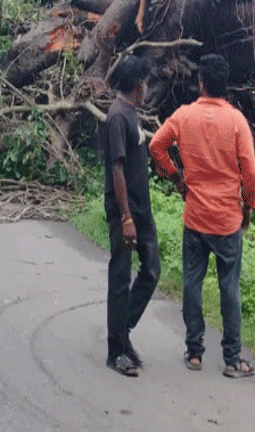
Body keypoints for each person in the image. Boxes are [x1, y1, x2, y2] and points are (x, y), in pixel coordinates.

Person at [148, 53, 255, 379]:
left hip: (195, 216)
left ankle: (195, 352)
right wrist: (248, 205)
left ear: (200, 84)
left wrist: (175, 177)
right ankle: (232, 359)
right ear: (225, 86)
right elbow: (250, 172)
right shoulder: (237, 121)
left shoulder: (184, 116)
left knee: (192, 282)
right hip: (227, 220)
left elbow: (156, 146)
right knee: (229, 287)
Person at [99, 54, 160, 377]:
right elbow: (117, 168)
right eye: (147, 81)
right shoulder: (117, 118)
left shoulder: (131, 114)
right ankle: (115, 349)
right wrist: (125, 218)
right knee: (120, 276)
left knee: (151, 270)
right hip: (126, 210)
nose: (148, 87)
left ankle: (123, 331)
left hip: (142, 208)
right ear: (139, 84)